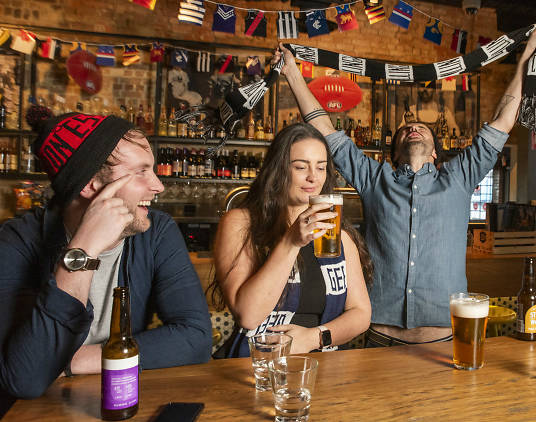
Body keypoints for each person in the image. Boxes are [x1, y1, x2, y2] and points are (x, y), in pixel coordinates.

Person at [277, 23, 536, 346]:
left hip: (444, 340)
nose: (413, 128)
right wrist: (292, 73)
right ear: (394, 153)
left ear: (436, 152)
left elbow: (504, 117)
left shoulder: (461, 175)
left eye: (422, 128)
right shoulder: (374, 177)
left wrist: (526, 57)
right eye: (406, 130)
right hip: (378, 335)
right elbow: (325, 129)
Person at [0, 112, 212, 416]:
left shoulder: (157, 232)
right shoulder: (16, 242)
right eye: (141, 172)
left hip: (119, 400)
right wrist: (84, 249)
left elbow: (197, 339)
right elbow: (26, 378)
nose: (158, 186)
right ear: (90, 184)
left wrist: (71, 360)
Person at [211, 123, 372, 355]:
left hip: (325, 364)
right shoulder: (241, 223)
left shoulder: (337, 235)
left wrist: (314, 338)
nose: (312, 177)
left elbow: (360, 313)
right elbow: (248, 315)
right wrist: (291, 242)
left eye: (321, 167)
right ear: (278, 170)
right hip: (258, 362)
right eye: (300, 167)